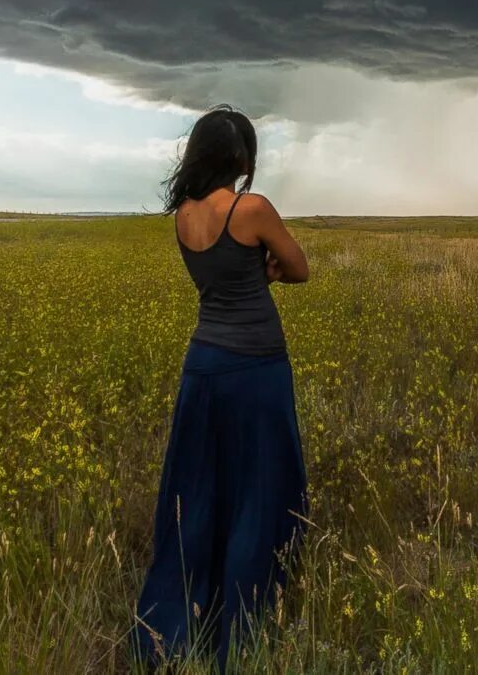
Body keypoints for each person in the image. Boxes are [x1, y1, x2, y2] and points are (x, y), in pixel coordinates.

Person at [131, 105, 310, 670]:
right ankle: (248, 622)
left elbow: (217, 277)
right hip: (257, 366)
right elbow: (300, 267)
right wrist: (270, 270)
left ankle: (180, 628)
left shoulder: (183, 216)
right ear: (240, 159)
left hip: (203, 367)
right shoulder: (251, 208)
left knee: (200, 494)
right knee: (256, 491)